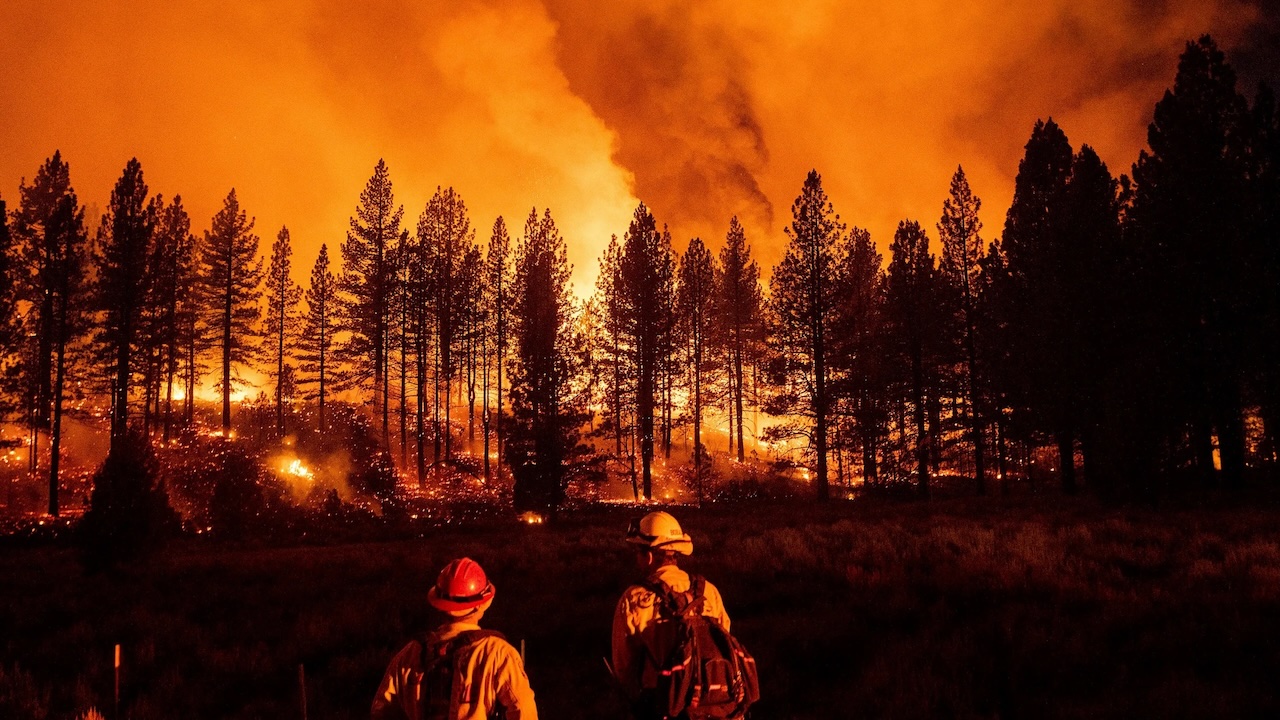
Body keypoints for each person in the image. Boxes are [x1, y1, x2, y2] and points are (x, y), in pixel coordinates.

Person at [372, 557, 537, 720]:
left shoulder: (409, 655)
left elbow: (381, 711)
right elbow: (523, 712)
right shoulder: (498, 654)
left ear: (438, 603)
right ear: (481, 605)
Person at [611, 510, 732, 718]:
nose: (636, 558)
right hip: (714, 703)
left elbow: (623, 666)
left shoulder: (634, 598)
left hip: (662, 704)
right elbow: (724, 639)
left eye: (638, 552)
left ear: (649, 556)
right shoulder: (708, 591)